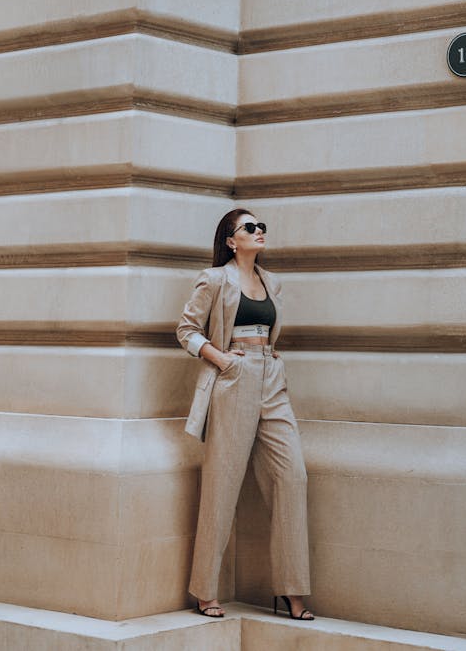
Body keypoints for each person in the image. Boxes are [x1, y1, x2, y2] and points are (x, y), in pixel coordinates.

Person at [177, 208, 314, 622]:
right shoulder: (215, 279)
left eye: (262, 227)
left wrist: (268, 361)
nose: (259, 232)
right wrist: (221, 359)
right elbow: (186, 329)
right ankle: (205, 590)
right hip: (235, 377)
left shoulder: (271, 282)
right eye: (250, 228)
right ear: (231, 240)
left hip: (272, 377)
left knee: (292, 476)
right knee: (222, 483)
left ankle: (291, 590)